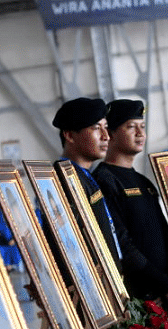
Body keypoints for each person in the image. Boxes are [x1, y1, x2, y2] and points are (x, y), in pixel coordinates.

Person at [91, 98, 168, 314]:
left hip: (162, 296)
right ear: (111, 133)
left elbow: (166, 236)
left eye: (142, 127)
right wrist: (165, 284)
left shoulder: (144, 182)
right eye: (131, 127)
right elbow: (121, 244)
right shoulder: (105, 180)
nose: (140, 133)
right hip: (134, 300)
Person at [52, 96, 129, 263]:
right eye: (96, 128)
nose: (106, 136)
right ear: (70, 135)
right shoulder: (64, 180)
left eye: (106, 128)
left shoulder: (82, 174)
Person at [0, 208, 22, 273]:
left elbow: (21, 231)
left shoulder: (14, 218)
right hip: (2, 244)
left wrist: (14, 239)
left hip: (14, 244)